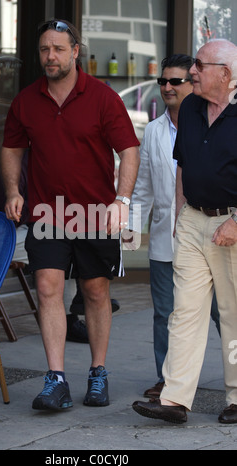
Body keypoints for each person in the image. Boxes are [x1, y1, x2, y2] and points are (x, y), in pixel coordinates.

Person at [1, 19, 140, 411]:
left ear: (75, 51)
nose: (51, 56)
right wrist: (13, 190)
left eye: (59, 49)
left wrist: (122, 201)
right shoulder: (26, 100)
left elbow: (129, 150)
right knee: (48, 288)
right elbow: (11, 148)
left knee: (95, 291)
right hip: (47, 211)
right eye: (45, 49)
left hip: (95, 212)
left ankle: (98, 373)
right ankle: (56, 379)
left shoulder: (102, 97)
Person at [132, 38, 237, 425]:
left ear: (225, 75)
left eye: (200, 65)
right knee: (184, 313)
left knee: (233, 315)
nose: (192, 71)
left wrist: (235, 223)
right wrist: (181, 215)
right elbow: (182, 163)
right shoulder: (192, 107)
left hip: (233, 222)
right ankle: (175, 399)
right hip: (192, 219)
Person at [124, 54, 220, 400]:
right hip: (167, 238)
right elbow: (145, 186)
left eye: (175, 81)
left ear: (192, 85)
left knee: (223, 314)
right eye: (162, 81)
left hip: (212, 238)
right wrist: (132, 226)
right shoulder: (153, 130)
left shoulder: (214, 123)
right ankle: (167, 380)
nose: (167, 87)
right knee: (165, 313)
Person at [0, 153, 89, 343]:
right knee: (59, 244)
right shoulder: (12, 168)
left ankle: (78, 305)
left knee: (64, 239)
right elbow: (15, 215)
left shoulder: (40, 166)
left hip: (13, 233)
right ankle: (72, 316)